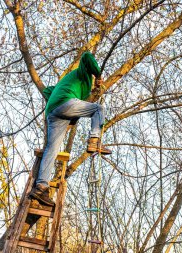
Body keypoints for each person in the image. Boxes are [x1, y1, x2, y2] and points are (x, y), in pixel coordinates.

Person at [29, 51, 111, 206]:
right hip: (65, 103)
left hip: (53, 112)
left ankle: (41, 187)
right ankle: (94, 140)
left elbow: (47, 91)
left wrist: (57, 98)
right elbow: (87, 56)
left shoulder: (64, 83)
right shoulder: (82, 73)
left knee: (51, 149)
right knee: (98, 109)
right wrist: (98, 75)